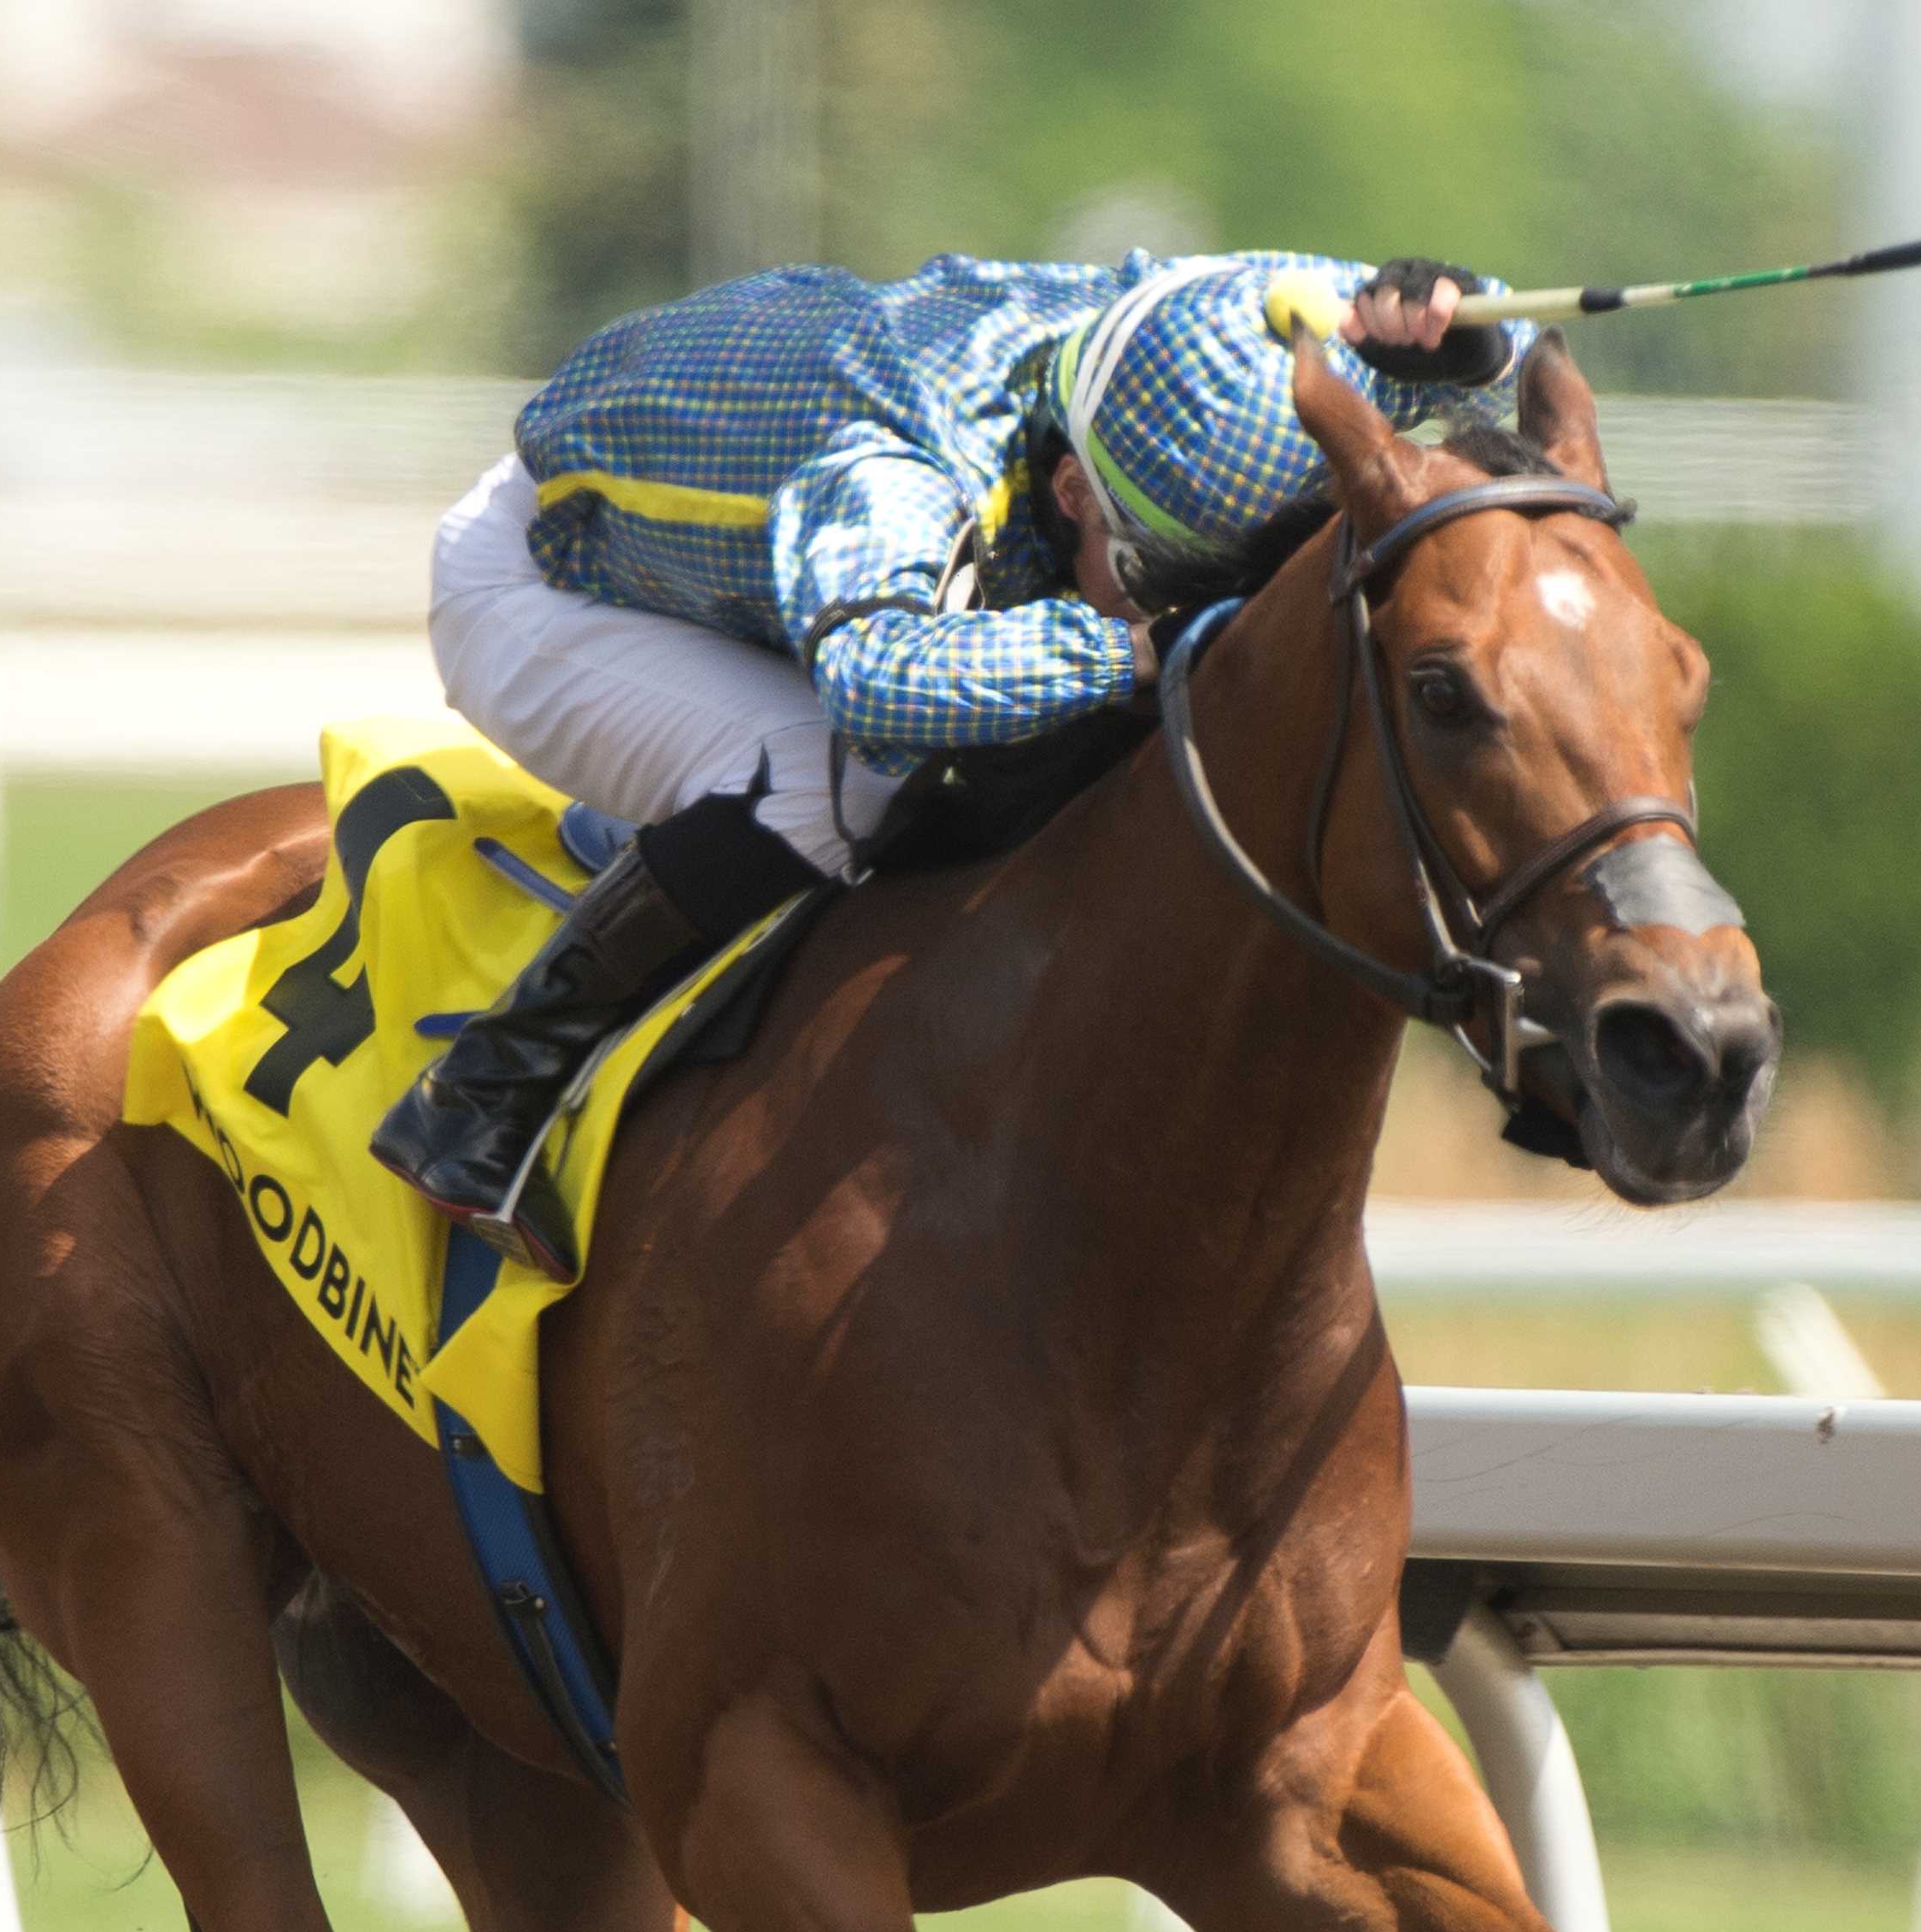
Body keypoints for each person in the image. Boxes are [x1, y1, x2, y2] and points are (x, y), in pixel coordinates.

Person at [373, 248, 1538, 1277]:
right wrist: (1139, 647)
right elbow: (878, 679)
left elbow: (1510, 342)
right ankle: (487, 1089)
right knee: (841, 775)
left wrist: (1464, 327)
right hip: (546, 586)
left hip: (765, 525)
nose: (1197, 612)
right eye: (1161, 579)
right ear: (1075, 489)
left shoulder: (1237, 331)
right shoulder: (896, 473)